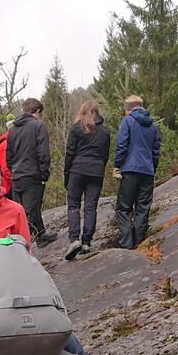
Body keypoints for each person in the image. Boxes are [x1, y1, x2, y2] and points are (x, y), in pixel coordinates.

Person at [63, 100, 111, 260]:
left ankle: (74, 240)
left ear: (82, 112)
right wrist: (99, 167)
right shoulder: (104, 131)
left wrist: (67, 174)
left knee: (73, 206)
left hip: (77, 169)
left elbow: (70, 153)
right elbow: (105, 154)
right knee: (91, 207)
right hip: (96, 171)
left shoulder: (77, 128)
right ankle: (86, 242)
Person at [114, 94, 161, 250]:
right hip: (147, 171)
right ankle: (140, 244)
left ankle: (127, 245)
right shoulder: (153, 126)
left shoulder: (127, 121)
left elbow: (122, 145)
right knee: (143, 208)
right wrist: (152, 169)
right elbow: (156, 151)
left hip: (130, 170)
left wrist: (117, 165)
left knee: (123, 208)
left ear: (128, 110)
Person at [7, 98, 56, 245]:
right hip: (32, 175)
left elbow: (8, 155)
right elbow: (43, 153)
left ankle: (41, 235)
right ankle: (20, 245)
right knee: (30, 212)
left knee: (25, 210)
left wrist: (13, 170)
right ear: (38, 111)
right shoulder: (38, 126)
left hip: (17, 176)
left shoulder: (13, 129)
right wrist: (44, 175)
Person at [0, 119, 14, 198]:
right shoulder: (7, 143)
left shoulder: (3, 141)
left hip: (3, 182)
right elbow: (5, 167)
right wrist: (13, 179)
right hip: (6, 184)